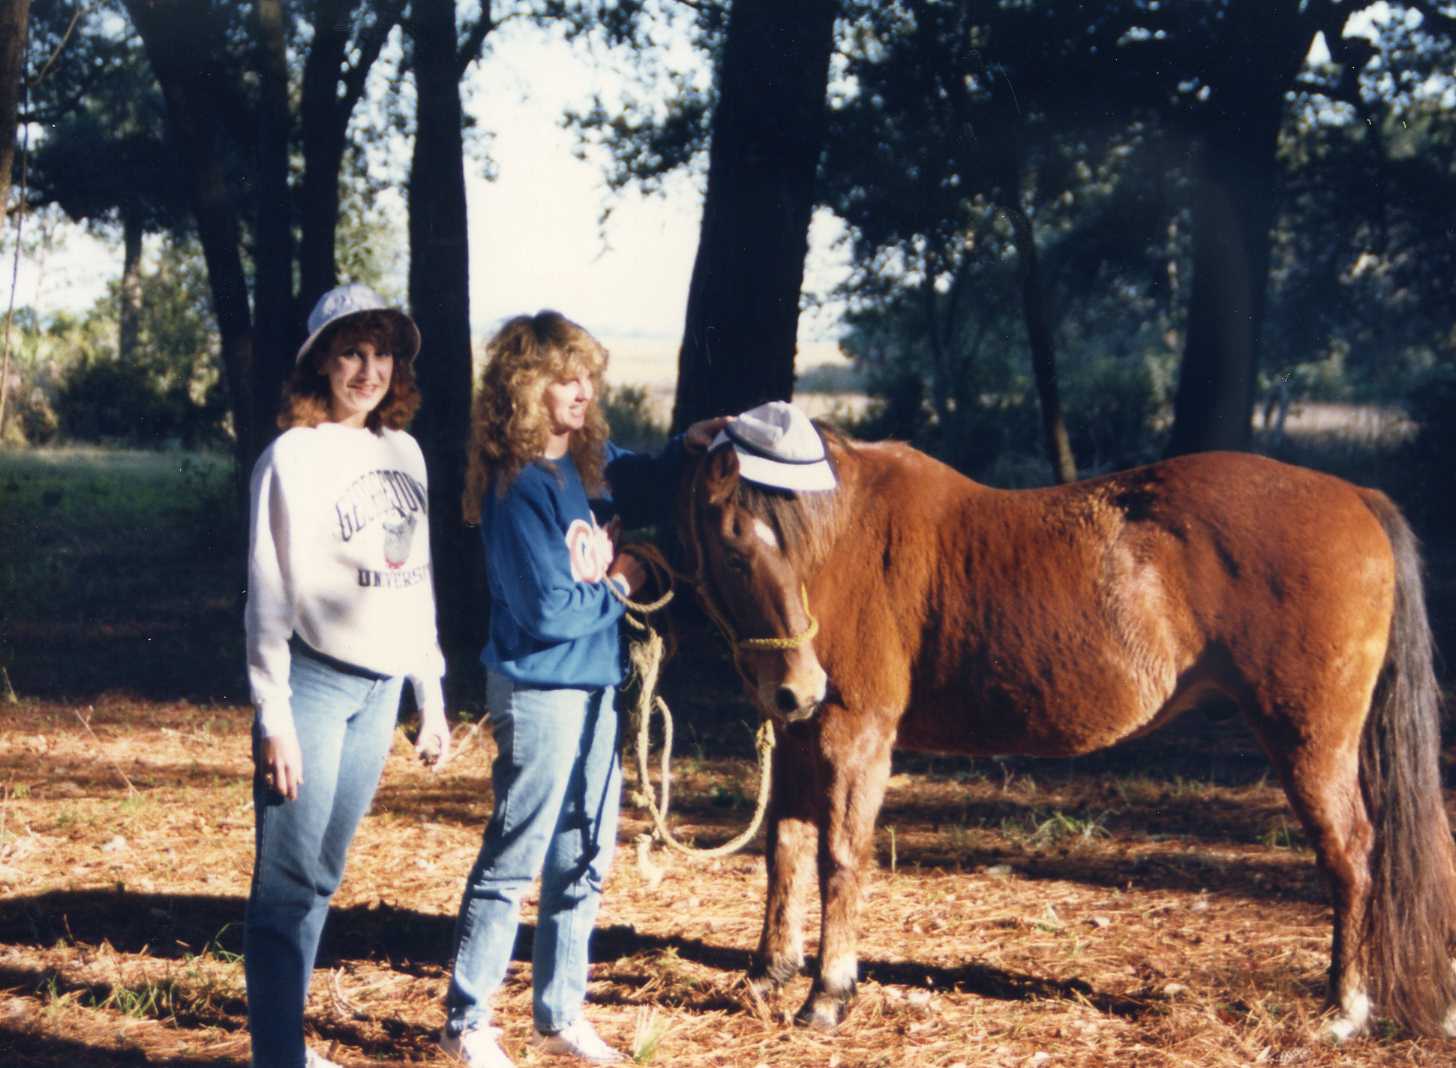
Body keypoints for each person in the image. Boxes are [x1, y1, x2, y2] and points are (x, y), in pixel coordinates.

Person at [440, 311, 725, 1068]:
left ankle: (558, 1014)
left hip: (595, 685)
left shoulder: (581, 468)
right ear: (525, 388)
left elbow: (635, 472)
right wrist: (625, 578)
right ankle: (469, 1022)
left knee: (585, 852)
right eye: (564, 378)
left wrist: (684, 449)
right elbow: (546, 611)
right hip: (539, 690)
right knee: (516, 857)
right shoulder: (518, 486)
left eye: (588, 376)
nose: (582, 391)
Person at [244, 283, 452, 1068]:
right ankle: (277, 1055)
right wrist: (275, 716)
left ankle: (287, 1043)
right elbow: (267, 593)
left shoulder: (404, 452)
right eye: (351, 353)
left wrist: (428, 694)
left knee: (323, 873)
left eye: (381, 353)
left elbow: (416, 582)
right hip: (314, 686)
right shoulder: (291, 457)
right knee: (287, 885)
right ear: (320, 363)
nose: (368, 370)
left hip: (381, 690)